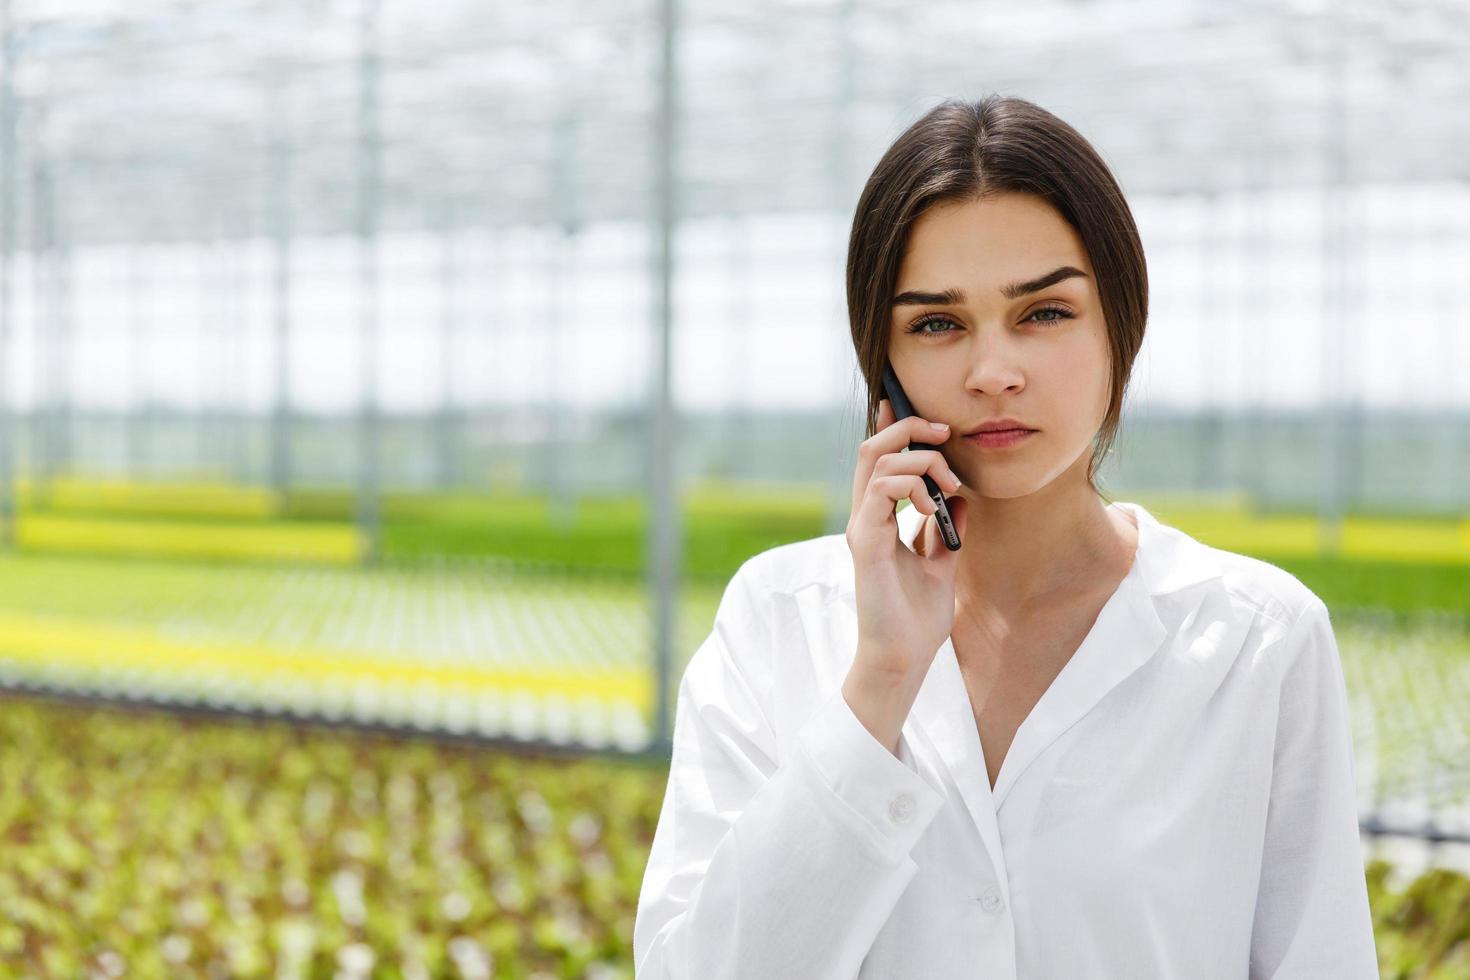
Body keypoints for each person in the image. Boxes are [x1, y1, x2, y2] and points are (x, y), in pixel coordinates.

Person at [633, 95, 1378, 979]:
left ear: (1120, 327)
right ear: (885, 364)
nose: (993, 373)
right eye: (937, 324)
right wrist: (881, 682)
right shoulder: (779, 620)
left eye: (1045, 313)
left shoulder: (1257, 641)